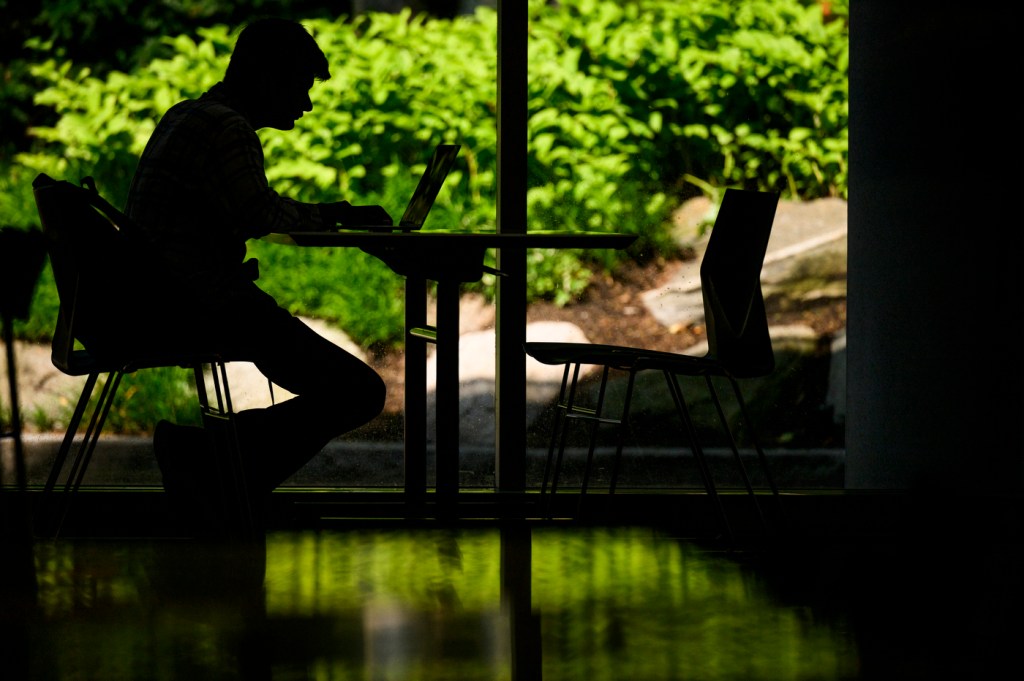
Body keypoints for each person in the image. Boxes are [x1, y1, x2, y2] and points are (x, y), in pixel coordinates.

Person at [124, 17, 391, 531]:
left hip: (158, 300)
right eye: (302, 85)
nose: (306, 103)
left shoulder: (189, 114)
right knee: (359, 392)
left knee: (344, 386)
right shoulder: (229, 128)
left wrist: (331, 213)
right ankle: (211, 465)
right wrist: (341, 216)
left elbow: (251, 209)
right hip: (196, 306)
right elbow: (260, 214)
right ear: (269, 76)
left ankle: (216, 473)